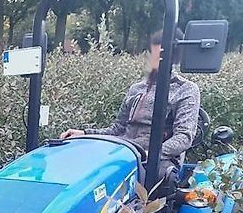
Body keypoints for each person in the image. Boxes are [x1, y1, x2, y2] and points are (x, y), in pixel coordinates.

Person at [60, 29, 201, 198]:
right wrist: (84, 133)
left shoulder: (185, 90)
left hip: (156, 158)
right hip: (124, 150)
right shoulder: (137, 88)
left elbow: (183, 137)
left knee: (156, 178)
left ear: (173, 56)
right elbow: (117, 128)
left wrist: (152, 154)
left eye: (158, 53)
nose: (152, 57)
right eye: (153, 52)